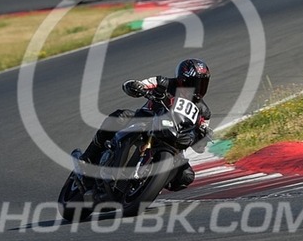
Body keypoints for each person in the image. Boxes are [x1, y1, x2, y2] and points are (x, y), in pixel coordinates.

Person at [78, 58, 213, 192]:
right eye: (194, 83)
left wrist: (204, 136)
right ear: (182, 80)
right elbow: (137, 84)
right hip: (145, 121)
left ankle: (149, 185)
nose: (198, 88)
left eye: (202, 84)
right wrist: (136, 86)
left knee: (186, 176)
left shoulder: (204, 112)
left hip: (175, 141)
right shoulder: (163, 82)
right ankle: (88, 158)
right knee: (121, 116)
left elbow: (200, 146)